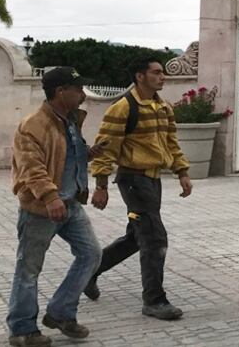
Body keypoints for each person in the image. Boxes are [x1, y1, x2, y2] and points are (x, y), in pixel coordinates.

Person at [85, 56, 193, 320]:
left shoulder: (163, 107)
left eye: (163, 72)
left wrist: (182, 172)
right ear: (140, 76)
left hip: (152, 181)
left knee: (137, 237)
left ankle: (88, 272)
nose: (162, 76)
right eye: (156, 72)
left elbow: (171, 143)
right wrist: (100, 185)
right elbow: (105, 148)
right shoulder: (123, 108)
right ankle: (154, 301)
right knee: (155, 237)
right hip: (133, 181)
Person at [7, 67, 102, 347]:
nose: (83, 94)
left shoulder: (69, 121)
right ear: (61, 92)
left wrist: (89, 154)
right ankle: (22, 329)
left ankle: (61, 312)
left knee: (91, 254)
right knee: (29, 269)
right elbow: (32, 167)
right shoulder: (33, 125)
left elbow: (65, 155)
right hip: (41, 208)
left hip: (70, 204)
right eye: (77, 89)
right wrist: (50, 197)